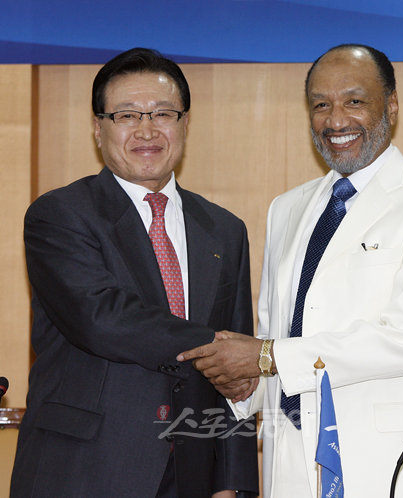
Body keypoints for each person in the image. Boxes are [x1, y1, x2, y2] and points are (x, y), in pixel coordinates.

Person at [178, 44, 403, 497]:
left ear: (391, 105)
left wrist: (265, 357)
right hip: (289, 461)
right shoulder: (287, 208)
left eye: (354, 101)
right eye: (321, 105)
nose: (336, 121)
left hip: (388, 464)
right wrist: (243, 383)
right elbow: (275, 332)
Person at [10, 48, 258, 498]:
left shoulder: (224, 229)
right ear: (98, 127)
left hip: (192, 475)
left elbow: (234, 377)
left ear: (185, 123)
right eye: (126, 115)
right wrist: (220, 347)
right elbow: (101, 318)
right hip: (84, 471)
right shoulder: (60, 214)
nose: (147, 130)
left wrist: (233, 482)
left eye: (163, 113)